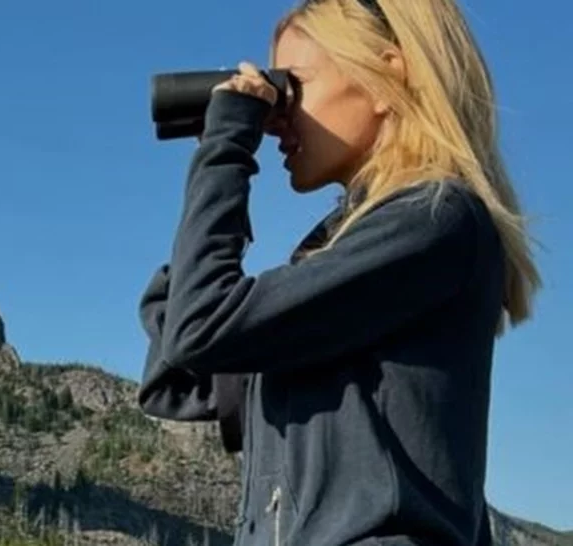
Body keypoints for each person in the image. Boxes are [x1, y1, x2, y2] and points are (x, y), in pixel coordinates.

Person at [135, 0, 541, 545]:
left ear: (385, 77)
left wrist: (227, 152)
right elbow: (178, 382)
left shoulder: (434, 219)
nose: (279, 119)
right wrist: (214, 172)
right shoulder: (353, 251)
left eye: (294, 88)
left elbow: (200, 327)